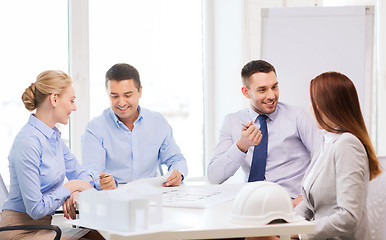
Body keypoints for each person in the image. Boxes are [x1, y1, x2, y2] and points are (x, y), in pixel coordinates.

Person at [0, 70, 116, 240]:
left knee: (103, 236)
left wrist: (101, 182)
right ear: (54, 99)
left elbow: (80, 175)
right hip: (19, 230)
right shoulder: (27, 142)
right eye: (71, 101)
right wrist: (70, 188)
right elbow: (36, 209)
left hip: (43, 227)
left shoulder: (54, 138)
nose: (74, 107)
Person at [207, 60, 320, 205]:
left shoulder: (298, 116)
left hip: (293, 204)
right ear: (246, 92)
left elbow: (324, 162)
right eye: (262, 90)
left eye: (274, 87)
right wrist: (241, 146)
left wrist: (304, 199)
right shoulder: (232, 121)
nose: (271, 96)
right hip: (252, 205)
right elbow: (214, 177)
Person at [291, 71, 382, 239]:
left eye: (312, 102)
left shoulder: (347, 144)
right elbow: (310, 202)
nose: (310, 108)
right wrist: (289, 224)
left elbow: (348, 217)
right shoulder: (326, 141)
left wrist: (300, 233)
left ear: (320, 106)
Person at [81, 63, 188, 186]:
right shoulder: (95, 128)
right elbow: (91, 172)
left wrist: (178, 174)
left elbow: (176, 159)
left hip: (151, 196)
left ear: (140, 91)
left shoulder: (157, 122)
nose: (121, 103)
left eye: (127, 95)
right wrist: (102, 182)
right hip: (113, 196)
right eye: (114, 96)